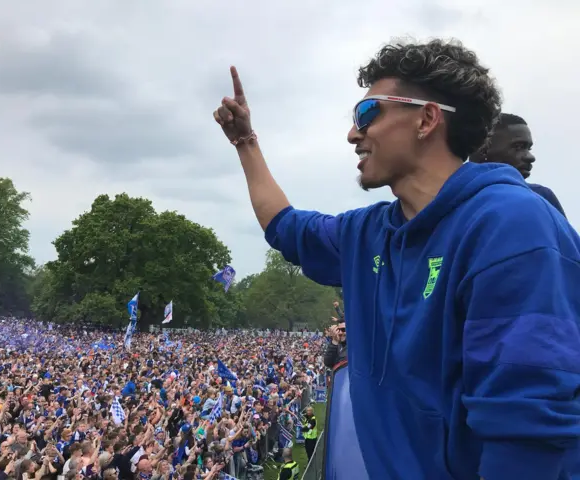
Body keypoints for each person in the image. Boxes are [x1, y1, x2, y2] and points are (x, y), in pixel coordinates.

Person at [213, 39, 580, 479]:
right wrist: (245, 143)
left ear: (427, 118)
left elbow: (527, 436)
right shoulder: (367, 232)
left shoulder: (511, 225)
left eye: (367, 114)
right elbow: (287, 227)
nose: (353, 132)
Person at [469, 113, 566, 216]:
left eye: (529, 148)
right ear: (483, 150)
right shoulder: (457, 201)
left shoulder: (542, 197)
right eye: (518, 147)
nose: (530, 157)